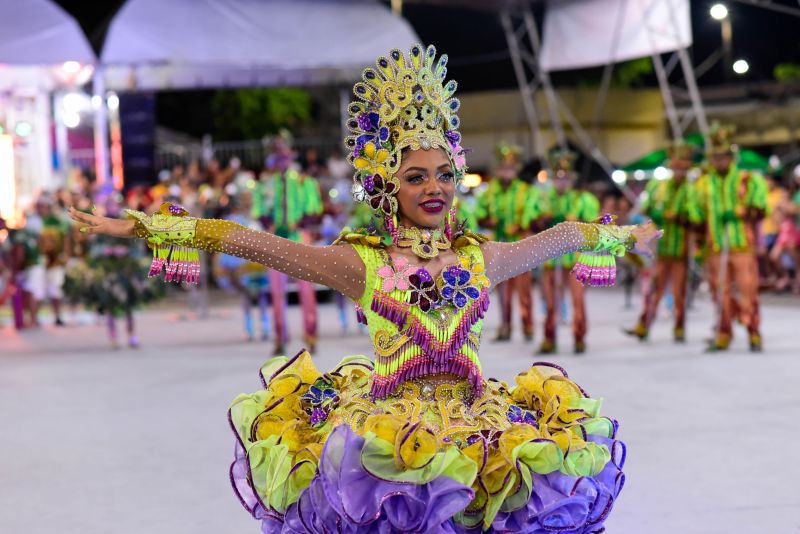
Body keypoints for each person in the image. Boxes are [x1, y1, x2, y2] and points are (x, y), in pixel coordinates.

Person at [70, 44, 659, 533]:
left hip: (482, 433)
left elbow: (563, 236)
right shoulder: (361, 264)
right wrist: (151, 225)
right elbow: (248, 241)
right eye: (415, 176)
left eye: (445, 174)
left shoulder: (483, 257)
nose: (436, 188)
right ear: (386, 187)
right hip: (387, 443)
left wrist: (630, 235)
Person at [695, 123, 767, 352]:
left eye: (724, 157)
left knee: (748, 290)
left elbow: (760, 206)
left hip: (742, 244)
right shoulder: (704, 183)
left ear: (731, 157)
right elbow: (696, 215)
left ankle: (753, 331)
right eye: (716, 157)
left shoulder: (748, 179)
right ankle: (724, 331)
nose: (720, 161)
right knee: (720, 292)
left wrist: (739, 212)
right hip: (716, 246)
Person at [625, 141, 701, 342]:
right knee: (654, 288)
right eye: (676, 167)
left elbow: (696, 216)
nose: (679, 171)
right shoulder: (657, 187)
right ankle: (644, 324)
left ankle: (679, 327)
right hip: (662, 248)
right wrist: (654, 213)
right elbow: (644, 207)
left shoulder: (692, 189)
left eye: (683, 167)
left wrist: (677, 216)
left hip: (681, 249)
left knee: (679, 290)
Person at [538, 150, 601, 354]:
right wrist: (546, 219)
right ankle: (549, 337)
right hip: (550, 257)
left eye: (565, 178)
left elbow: (594, 225)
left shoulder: (582, 199)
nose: (561, 182)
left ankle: (579, 336)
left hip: (575, 259)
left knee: (578, 299)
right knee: (550, 300)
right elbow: (533, 219)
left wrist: (576, 222)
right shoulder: (544, 198)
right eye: (558, 178)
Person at [475, 143, 534, 341]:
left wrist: (520, 224)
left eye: (510, 168)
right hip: (499, 246)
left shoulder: (525, 190)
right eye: (503, 168)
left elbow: (533, 213)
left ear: (516, 170)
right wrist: (488, 221)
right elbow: (479, 214)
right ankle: (505, 326)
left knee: (523, 288)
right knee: (503, 290)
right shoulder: (490, 191)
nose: (506, 172)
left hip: (521, 246)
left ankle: (528, 326)